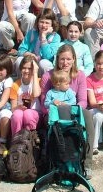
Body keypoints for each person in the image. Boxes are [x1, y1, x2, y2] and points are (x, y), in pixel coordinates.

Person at [40, 44, 96, 174]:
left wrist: (71, 109)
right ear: (57, 59)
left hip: (72, 110)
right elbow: (44, 105)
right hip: (53, 113)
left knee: (87, 115)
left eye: (68, 59)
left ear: (74, 59)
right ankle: (57, 162)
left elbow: (82, 101)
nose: (65, 63)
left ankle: (87, 163)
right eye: (62, 59)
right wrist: (57, 110)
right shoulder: (48, 77)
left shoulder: (80, 75)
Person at [9, 54, 41, 138]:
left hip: (35, 113)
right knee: (17, 114)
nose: (26, 71)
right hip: (20, 112)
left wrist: (35, 73)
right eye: (24, 68)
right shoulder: (15, 84)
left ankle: (29, 141)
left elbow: (36, 94)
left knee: (28, 113)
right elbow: (13, 108)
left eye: (30, 68)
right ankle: (16, 140)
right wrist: (18, 107)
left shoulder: (39, 82)